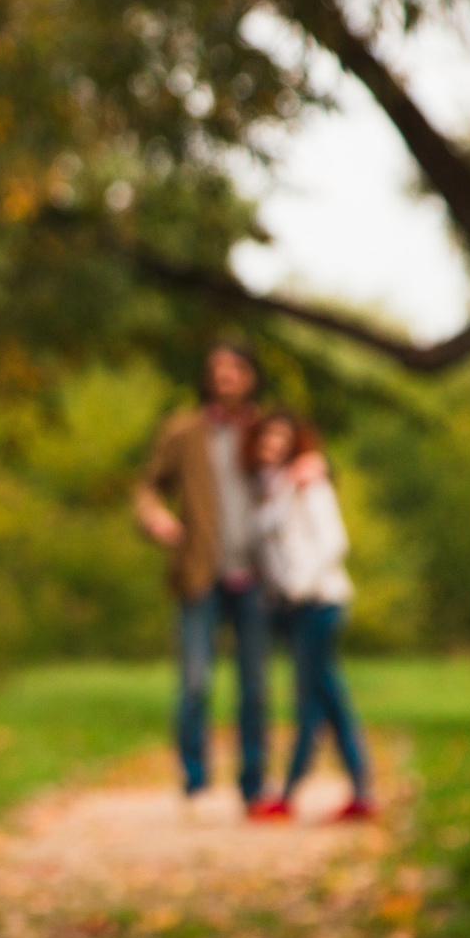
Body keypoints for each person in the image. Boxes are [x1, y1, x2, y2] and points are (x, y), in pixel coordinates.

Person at [133, 340, 276, 815]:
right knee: (195, 679)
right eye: (217, 369)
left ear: (251, 376)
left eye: (235, 368)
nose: (225, 377)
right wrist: (155, 518)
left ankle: (253, 784)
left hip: (256, 575)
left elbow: (301, 469)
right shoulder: (184, 431)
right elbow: (147, 487)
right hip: (199, 571)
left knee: (254, 686)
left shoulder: (265, 431)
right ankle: (194, 779)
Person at [250, 410, 375, 820]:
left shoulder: (309, 484)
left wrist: (299, 587)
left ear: (295, 443)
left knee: (309, 701)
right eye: (267, 438)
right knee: (330, 699)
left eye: (282, 439)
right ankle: (361, 790)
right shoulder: (272, 489)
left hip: (318, 603)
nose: (273, 447)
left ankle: (288, 793)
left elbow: (334, 543)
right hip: (292, 607)